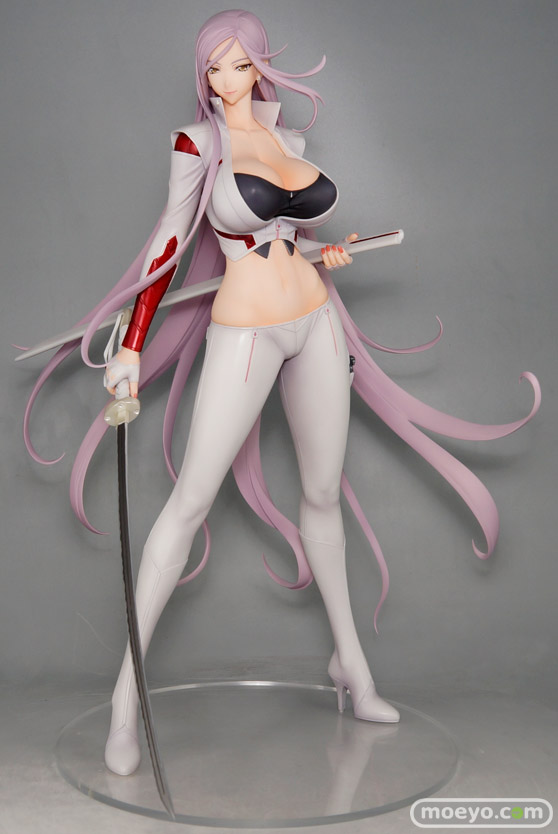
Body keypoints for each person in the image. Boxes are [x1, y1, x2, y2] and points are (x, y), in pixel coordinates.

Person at [22, 10, 540, 776]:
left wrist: (323, 253)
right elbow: (169, 245)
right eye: (213, 67)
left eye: (239, 64)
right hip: (247, 332)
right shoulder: (197, 143)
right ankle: (126, 703)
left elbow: (289, 237)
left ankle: (351, 667)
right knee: (189, 504)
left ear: (262, 66)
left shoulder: (289, 140)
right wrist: (130, 347)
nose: (225, 80)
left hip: (317, 321)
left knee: (324, 495)